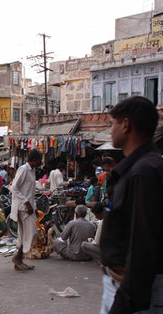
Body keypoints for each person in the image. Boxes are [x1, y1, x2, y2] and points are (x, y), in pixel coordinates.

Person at [99, 96, 163, 314]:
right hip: (121, 286)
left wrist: (123, 303)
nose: (110, 130)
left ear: (126, 125)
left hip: (132, 294)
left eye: (112, 124)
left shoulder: (143, 173)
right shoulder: (140, 168)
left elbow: (143, 248)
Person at [10, 149, 42, 271]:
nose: (40, 163)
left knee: (26, 234)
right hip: (22, 208)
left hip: (29, 207)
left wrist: (32, 206)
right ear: (34, 159)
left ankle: (19, 259)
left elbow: (30, 191)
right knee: (31, 233)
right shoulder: (23, 169)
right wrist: (27, 203)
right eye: (39, 160)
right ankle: (18, 258)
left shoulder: (32, 171)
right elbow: (14, 187)